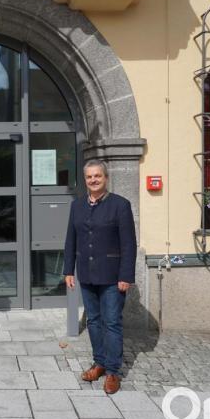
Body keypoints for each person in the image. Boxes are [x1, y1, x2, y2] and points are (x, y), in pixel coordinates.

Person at [63, 160, 136, 394]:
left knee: (112, 322)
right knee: (93, 321)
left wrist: (126, 275)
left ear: (106, 178)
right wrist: (68, 270)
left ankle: (113, 371)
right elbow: (70, 239)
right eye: (89, 177)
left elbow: (129, 244)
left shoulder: (120, 205)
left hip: (113, 277)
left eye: (97, 176)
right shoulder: (77, 206)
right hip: (87, 273)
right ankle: (100, 363)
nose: (93, 180)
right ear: (85, 180)